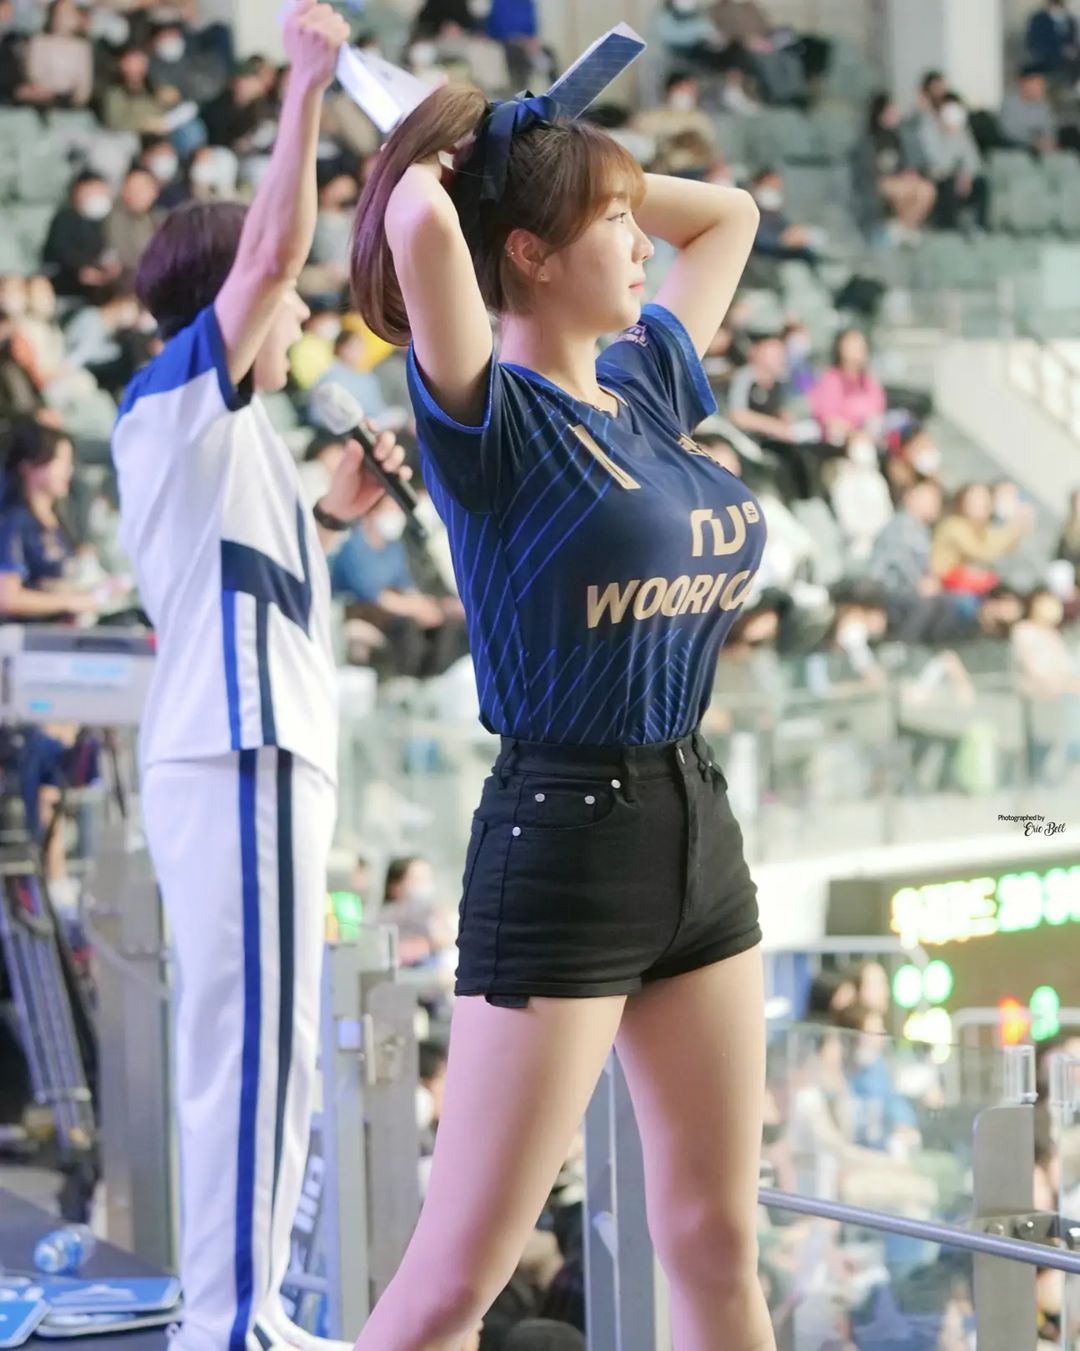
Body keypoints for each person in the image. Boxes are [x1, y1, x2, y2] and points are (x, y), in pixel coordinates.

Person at [350, 70, 772, 1349]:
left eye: (635, 218)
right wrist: (481, 147)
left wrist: (585, 162)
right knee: (452, 1286)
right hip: (562, 841)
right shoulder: (491, 418)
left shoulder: (646, 385)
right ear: (528, 254)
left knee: (716, 1240)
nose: (642, 242)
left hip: (696, 826)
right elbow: (417, 220)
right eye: (612, 224)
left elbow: (732, 215)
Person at [109, 7, 410, 1351]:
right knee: (251, 1048)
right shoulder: (175, 399)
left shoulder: (238, 443)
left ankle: (241, 1309)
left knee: (262, 1046)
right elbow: (274, 250)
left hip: (252, 754)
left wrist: (335, 514)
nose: (296, 312)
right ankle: (233, 1319)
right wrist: (304, 89)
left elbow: (256, 578)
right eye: (280, 295)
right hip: (237, 752)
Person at [0, 419, 97, 621]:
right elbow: (6, 598)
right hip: (27, 634)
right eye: (60, 461)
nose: (68, 471)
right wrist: (69, 601)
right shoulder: (13, 521)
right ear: (29, 464)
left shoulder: (60, 516)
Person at [851, 94, 936, 242]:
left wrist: (909, 174)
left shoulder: (898, 137)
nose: (895, 116)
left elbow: (904, 163)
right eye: (890, 112)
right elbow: (867, 171)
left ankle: (903, 227)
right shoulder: (868, 140)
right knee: (905, 191)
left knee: (926, 190)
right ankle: (902, 228)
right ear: (880, 115)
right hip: (877, 182)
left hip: (898, 180)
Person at [931, 481, 1031, 596]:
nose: (980, 503)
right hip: (941, 586)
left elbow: (1000, 547)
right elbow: (981, 552)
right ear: (962, 502)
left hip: (961, 587)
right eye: (975, 500)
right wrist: (1014, 529)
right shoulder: (954, 525)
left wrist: (1019, 527)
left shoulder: (982, 529)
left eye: (984, 500)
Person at [43, 173, 123, 302]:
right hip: (67, 281)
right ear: (77, 193)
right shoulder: (65, 219)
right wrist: (82, 269)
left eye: (101, 192)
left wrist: (111, 266)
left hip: (102, 283)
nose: (97, 197)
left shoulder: (109, 221)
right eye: (92, 192)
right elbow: (60, 252)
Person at [920, 93, 990, 232]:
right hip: (938, 177)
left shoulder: (963, 131)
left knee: (982, 184)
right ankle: (947, 227)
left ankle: (980, 226)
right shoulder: (929, 130)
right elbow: (939, 164)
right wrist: (951, 136)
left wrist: (966, 176)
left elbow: (973, 159)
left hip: (961, 177)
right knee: (947, 185)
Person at [809, 328, 887, 445]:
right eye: (853, 345)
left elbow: (877, 412)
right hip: (841, 440)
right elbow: (828, 418)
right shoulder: (830, 379)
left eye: (861, 345)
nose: (859, 349)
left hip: (869, 437)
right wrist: (853, 433)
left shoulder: (869, 380)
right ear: (841, 348)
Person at [1000, 64, 1058, 153]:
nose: (1042, 88)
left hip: (1042, 152)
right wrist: (1034, 140)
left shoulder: (1044, 106)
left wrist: (1047, 140)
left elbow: (1050, 130)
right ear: (1023, 84)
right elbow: (1009, 133)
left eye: (1042, 84)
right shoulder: (1010, 104)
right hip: (1014, 153)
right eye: (1037, 83)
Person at [1025, 0, 1080, 79]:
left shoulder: (1070, 20)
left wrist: (1072, 50)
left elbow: (1072, 41)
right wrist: (1060, 51)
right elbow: (1034, 43)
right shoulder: (1039, 19)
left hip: (1068, 60)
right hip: (1046, 58)